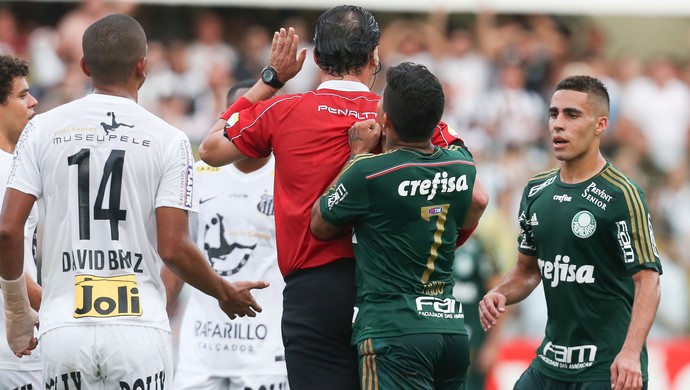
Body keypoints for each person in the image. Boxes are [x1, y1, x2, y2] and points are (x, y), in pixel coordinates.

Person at [199, 5, 488, 389]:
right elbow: (476, 197)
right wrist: (445, 243)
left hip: (315, 294)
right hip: (394, 294)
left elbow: (211, 149)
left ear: (316, 58)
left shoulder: (283, 109)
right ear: (375, 57)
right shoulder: (399, 115)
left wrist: (269, 80)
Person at [0, 14, 268, 388]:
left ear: (84, 66)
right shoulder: (169, 139)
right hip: (139, 330)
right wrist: (224, 291)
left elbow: (8, 231)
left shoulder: (41, 129)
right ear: (143, 66)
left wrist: (16, 311)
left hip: (64, 328)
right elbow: (173, 247)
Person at [478, 75, 662, 390]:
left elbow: (648, 280)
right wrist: (500, 293)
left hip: (607, 368)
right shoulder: (537, 190)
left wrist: (631, 353)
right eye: (553, 114)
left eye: (572, 115)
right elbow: (527, 271)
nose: (557, 124)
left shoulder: (621, 195)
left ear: (601, 124)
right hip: (550, 364)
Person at [309, 62, 485, 389]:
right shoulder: (462, 163)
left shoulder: (370, 172)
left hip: (394, 332)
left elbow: (320, 223)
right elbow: (480, 200)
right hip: (451, 330)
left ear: (385, 120)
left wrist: (357, 154)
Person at [164, 79, 288, 390]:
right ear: (226, 117)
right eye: (244, 117)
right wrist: (163, 317)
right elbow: (177, 254)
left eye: (264, 118)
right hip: (201, 349)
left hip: (266, 351)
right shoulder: (197, 174)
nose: (253, 128)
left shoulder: (292, 178)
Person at [0, 54, 41, 389]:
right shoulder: (6, 172)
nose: (33, 101)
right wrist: (62, 311)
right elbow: (4, 244)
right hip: (12, 350)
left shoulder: (17, 165)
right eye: (22, 95)